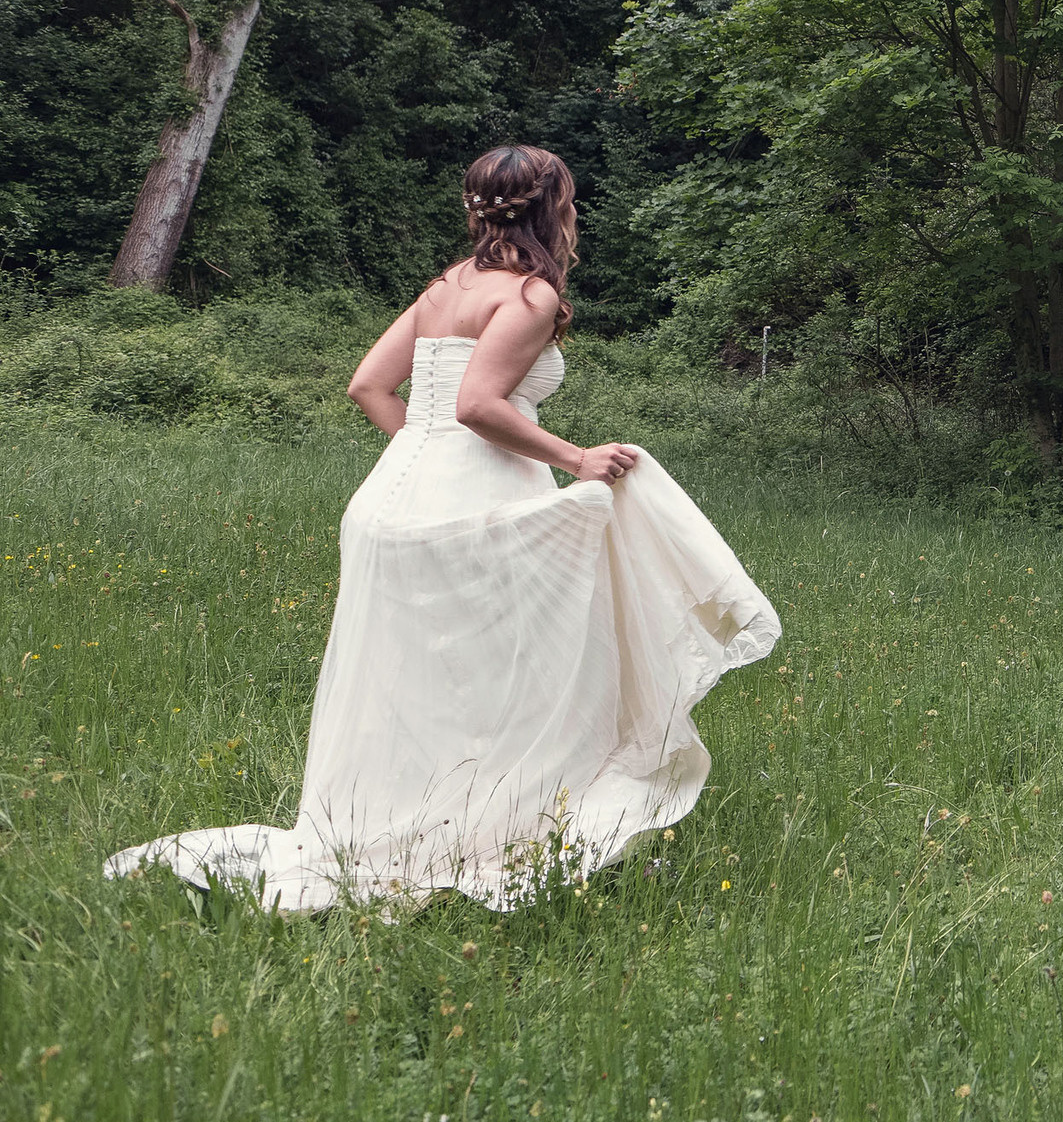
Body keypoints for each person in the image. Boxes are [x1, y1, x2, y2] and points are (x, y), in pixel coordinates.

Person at [106, 146, 779, 910]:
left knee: (424, 686)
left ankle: (411, 821)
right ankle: (492, 833)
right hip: (478, 506)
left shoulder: (446, 285)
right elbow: (477, 405)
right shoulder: (529, 295)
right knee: (527, 678)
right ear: (550, 207)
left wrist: (422, 464)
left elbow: (369, 384)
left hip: (391, 503)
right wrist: (576, 456)